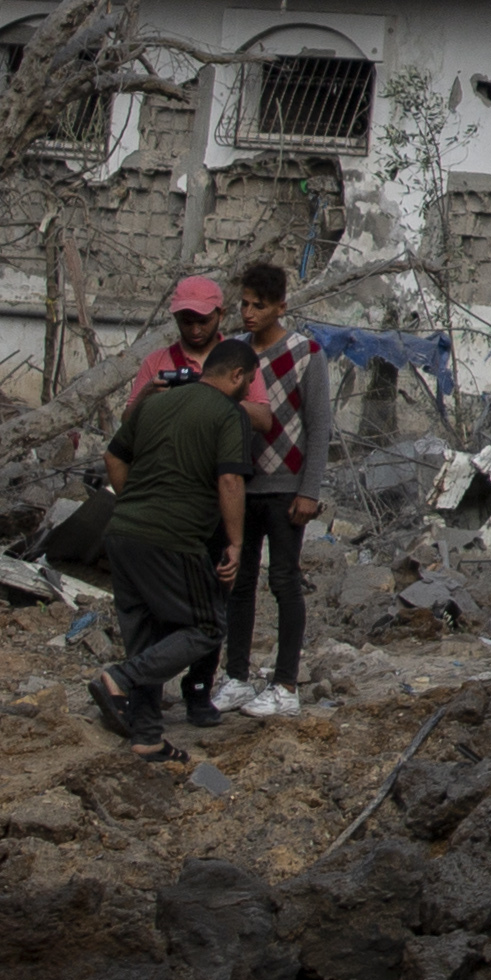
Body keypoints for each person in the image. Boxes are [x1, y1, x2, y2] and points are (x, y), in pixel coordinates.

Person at [93, 337, 256, 746]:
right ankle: (119, 679)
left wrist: (132, 503)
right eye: (248, 381)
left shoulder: (153, 404)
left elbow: (113, 457)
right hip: (174, 538)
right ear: (237, 375)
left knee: (145, 640)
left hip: (122, 534)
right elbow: (230, 480)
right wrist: (235, 543)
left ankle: (147, 739)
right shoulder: (228, 414)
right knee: (206, 627)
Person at [218, 271, 322, 718]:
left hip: (285, 485)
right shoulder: (233, 354)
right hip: (240, 483)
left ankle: (285, 684)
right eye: (244, 303)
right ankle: (237, 677)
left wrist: (310, 490)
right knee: (239, 583)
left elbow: (319, 426)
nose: (249, 312)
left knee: (283, 581)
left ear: (281, 306)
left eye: (259, 304)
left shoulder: (305, 353)